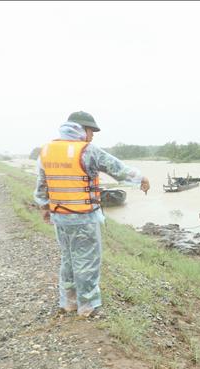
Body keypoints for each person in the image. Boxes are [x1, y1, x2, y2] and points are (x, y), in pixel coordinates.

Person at [34, 111, 150, 317]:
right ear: (81, 129)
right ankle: (88, 307)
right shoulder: (87, 151)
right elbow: (117, 168)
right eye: (91, 130)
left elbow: (42, 187)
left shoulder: (47, 151)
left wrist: (45, 208)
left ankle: (68, 302)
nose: (93, 135)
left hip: (60, 217)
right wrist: (140, 178)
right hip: (83, 218)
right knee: (87, 261)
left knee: (68, 258)